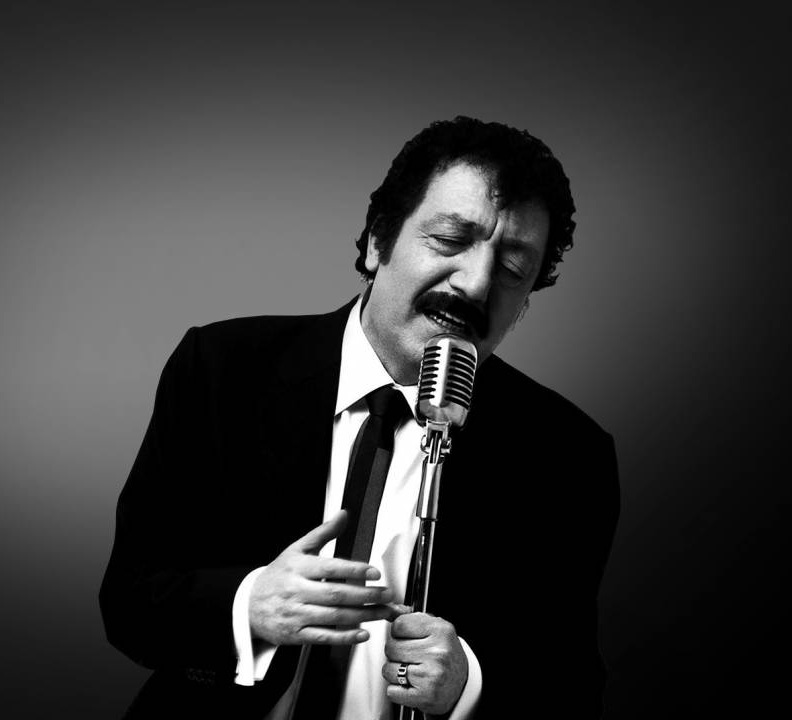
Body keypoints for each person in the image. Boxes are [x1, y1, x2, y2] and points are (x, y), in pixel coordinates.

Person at [100, 116, 620, 719]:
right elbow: (130, 602)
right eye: (450, 239)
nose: (477, 284)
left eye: (511, 270)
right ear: (378, 242)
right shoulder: (222, 369)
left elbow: (571, 691)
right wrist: (248, 607)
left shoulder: (568, 454)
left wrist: (467, 686)